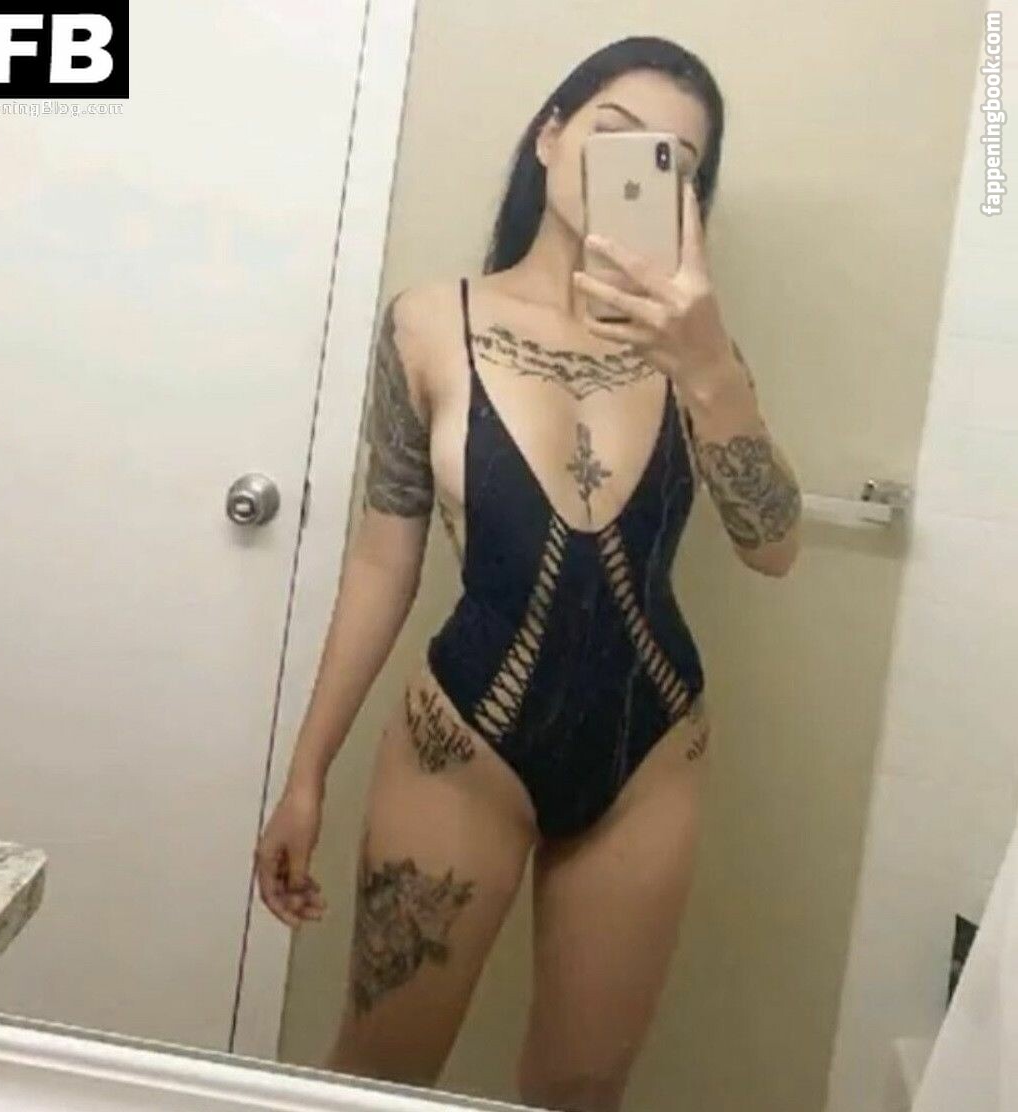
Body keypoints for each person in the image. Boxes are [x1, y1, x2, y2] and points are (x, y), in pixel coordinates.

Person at [255, 34, 801, 1112]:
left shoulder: (700, 351)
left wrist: (707, 362)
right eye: (612, 132)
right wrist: (307, 771)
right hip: (460, 746)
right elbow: (384, 557)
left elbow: (773, 546)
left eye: (673, 160)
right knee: (379, 1073)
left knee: (584, 1089)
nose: (634, 166)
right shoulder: (430, 322)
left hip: (653, 755)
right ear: (550, 134)